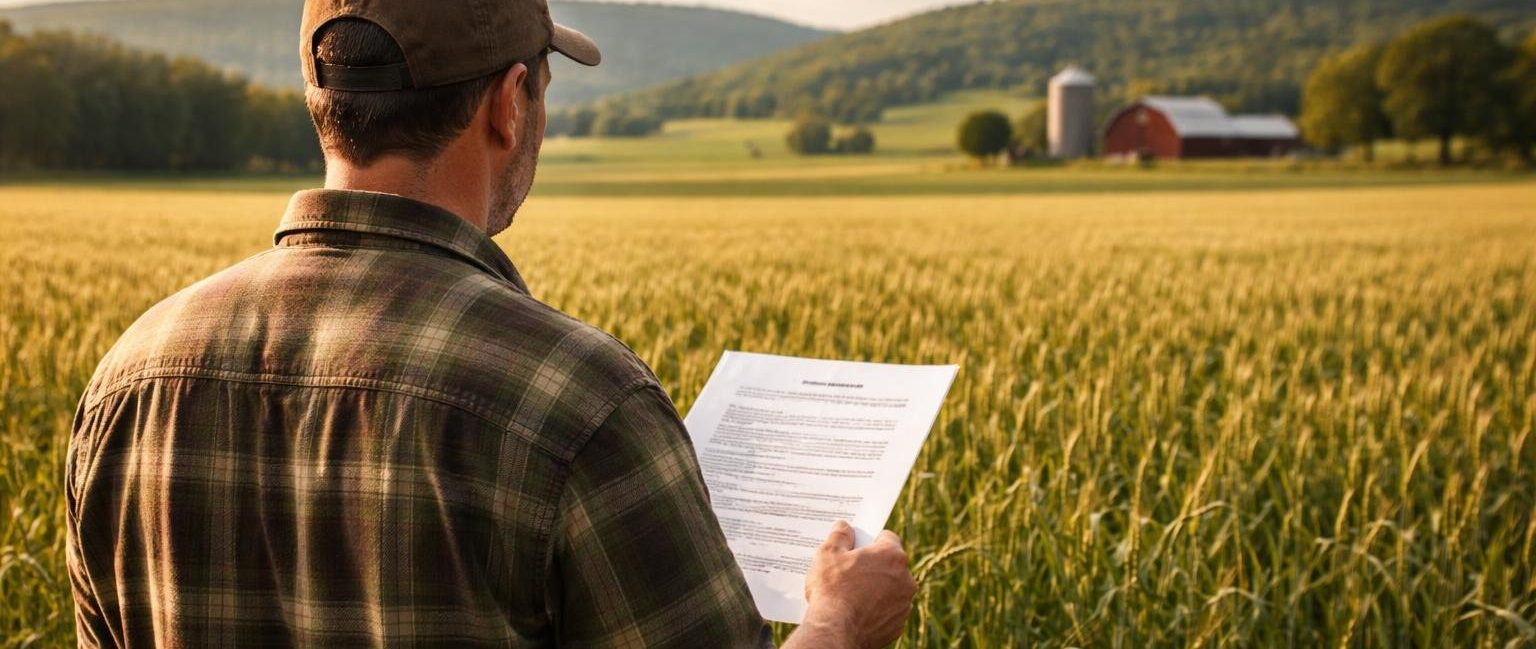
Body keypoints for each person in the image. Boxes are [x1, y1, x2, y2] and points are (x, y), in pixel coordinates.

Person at [64, 0, 918, 647]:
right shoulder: (580, 400)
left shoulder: (128, 380)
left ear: (324, 101)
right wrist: (840, 622)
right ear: (510, 102)